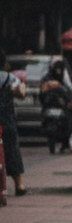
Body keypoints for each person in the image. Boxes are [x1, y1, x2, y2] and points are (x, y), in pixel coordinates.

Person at [0, 50, 27, 196]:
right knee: (12, 151)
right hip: (7, 122)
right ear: (5, 63)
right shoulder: (10, 78)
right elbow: (21, 94)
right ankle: (19, 184)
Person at [39, 58, 72, 152]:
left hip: (61, 106)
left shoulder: (64, 79)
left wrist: (70, 101)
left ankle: (66, 141)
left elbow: (69, 90)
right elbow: (41, 94)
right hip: (49, 105)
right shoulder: (47, 79)